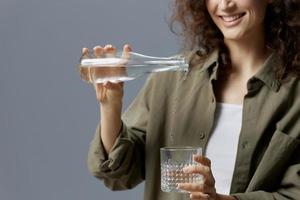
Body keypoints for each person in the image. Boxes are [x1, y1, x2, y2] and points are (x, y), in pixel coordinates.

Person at [85, 0, 300, 199]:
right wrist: (110, 105)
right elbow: (119, 174)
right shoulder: (172, 77)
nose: (225, 5)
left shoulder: (295, 95)